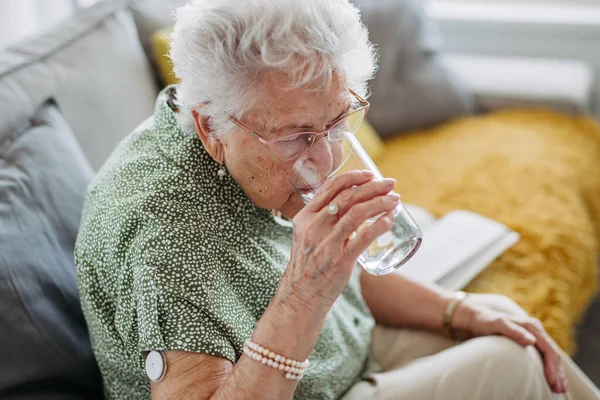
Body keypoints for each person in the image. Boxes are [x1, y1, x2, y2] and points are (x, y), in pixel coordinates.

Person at [74, 0, 600, 398]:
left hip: (339, 348)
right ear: (209, 126)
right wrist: (306, 291)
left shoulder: (247, 149)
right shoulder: (164, 235)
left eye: (337, 122)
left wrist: (457, 311)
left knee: (504, 319)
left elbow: (342, 276)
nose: (324, 159)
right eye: (295, 134)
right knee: (511, 366)